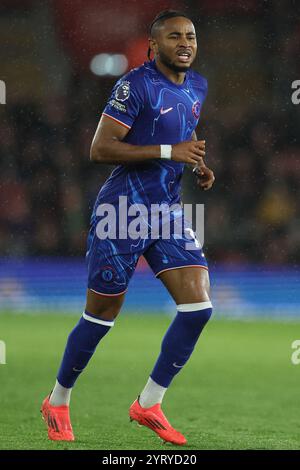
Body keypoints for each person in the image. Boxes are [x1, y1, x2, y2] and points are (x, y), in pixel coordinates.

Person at [41, 9, 215, 446]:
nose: (185, 43)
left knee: (199, 308)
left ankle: (149, 403)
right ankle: (58, 400)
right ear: (154, 46)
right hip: (122, 211)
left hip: (167, 212)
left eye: (190, 36)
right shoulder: (134, 85)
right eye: (174, 36)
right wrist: (168, 151)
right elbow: (100, 148)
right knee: (101, 315)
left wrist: (196, 163)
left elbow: (181, 139)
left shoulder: (198, 86)